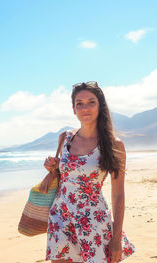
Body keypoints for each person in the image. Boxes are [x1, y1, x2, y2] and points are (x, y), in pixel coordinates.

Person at [43, 81, 135, 263]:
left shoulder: (114, 145)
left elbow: (118, 194)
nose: (85, 108)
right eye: (79, 103)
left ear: (100, 105)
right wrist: (53, 167)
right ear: (73, 109)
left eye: (91, 102)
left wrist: (116, 238)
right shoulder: (66, 138)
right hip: (60, 218)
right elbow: (67, 177)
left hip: (92, 219)